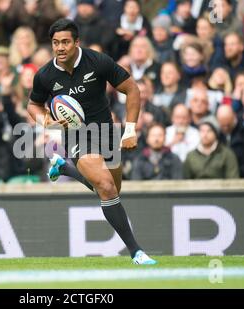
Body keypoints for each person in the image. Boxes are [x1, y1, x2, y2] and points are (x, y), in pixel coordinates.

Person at [27, 19, 156, 265]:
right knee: (106, 186)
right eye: (55, 43)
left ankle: (64, 168)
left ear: (77, 42)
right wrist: (46, 122)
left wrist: (129, 130)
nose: (60, 47)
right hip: (76, 136)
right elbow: (33, 105)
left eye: (65, 42)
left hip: (106, 132)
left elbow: (132, 89)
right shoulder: (44, 75)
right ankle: (136, 252)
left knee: (109, 190)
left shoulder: (98, 62)